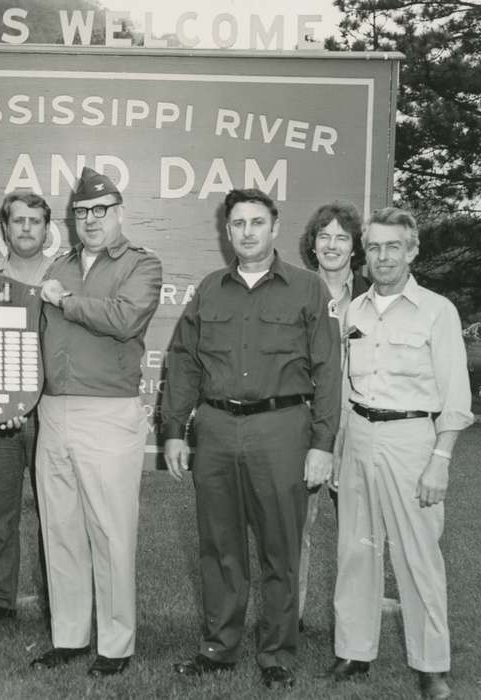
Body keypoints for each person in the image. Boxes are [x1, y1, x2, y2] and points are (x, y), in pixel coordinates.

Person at [163, 188, 341, 690]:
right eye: (237, 223)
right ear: (227, 231)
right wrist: (175, 430)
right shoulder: (210, 289)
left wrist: (322, 444)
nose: (246, 232)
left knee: (280, 549)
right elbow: (183, 361)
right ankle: (218, 646)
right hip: (216, 430)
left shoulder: (308, 290)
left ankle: (277, 653)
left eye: (256, 222)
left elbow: (328, 371)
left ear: (275, 227)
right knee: (219, 546)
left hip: (281, 429)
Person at [326, 207, 473, 700]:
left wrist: (441, 460)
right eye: (374, 247)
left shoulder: (438, 311)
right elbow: (347, 389)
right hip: (359, 437)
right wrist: (338, 450)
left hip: (413, 441)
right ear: (364, 254)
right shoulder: (354, 311)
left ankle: (431, 664)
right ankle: (353, 653)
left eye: (393, 247)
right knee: (355, 550)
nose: (383, 256)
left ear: (412, 252)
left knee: (418, 555)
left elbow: (455, 397)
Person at [29, 167, 162, 678]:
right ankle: (68, 637)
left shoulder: (140, 264)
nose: (90, 220)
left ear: (119, 214)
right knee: (59, 529)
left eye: (100, 211)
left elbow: (124, 318)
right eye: (81, 212)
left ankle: (116, 643)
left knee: (110, 532)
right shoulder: (57, 265)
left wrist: (65, 301)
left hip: (107, 411)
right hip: (52, 409)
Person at [0, 191, 53, 626]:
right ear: (4, 228)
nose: (26, 228)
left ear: (47, 228)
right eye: (18, 221)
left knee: (55, 513)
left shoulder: (65, 277)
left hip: (51, 411)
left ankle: (57, 597)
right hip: (0, 412)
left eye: (34, 221)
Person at [296, 201, 369, 629]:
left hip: (357, 425)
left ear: (354, 246)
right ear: (313, 244)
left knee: (356, 533)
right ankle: (293, 619)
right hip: (305, 423)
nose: (332, 245)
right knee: (295, 530)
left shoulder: (371, 294)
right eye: (324, 236)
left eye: (342, 237)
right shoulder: (297, 290)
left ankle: (354, 627)